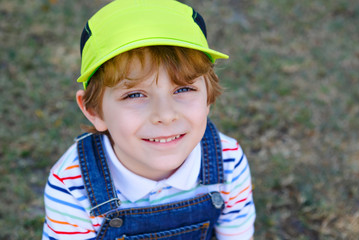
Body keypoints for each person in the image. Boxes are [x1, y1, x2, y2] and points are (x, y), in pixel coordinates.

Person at [42, 0, 255, 239]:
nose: (165, 115)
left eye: (183, 89)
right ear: (95, 111)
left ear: (208, 98)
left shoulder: (228, 161)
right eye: (134, 94)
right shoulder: (72, 184)